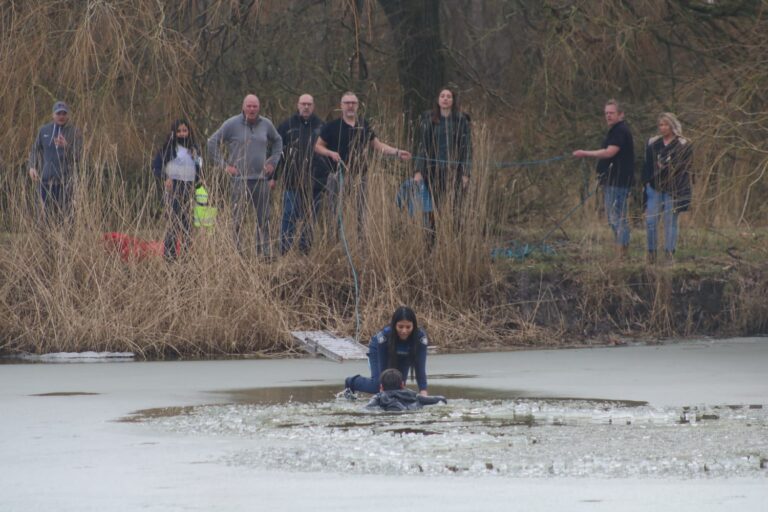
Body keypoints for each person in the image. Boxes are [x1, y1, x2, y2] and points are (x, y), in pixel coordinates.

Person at [314, 92, 411, 231]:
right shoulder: (332, 126)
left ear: (357, 105)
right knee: (335, 214)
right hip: (337, 175)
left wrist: (397, 152)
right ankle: (334, 246)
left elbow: (378, 146)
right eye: (347, 103)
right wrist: (330, 153)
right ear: (341, 106)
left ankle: (361, 245)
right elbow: (317, 146)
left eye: (353, 103)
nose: (350, 106)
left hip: (361, 177)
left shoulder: (363, 125)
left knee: (361, 215)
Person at [207, 94, 283, 256]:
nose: (252, 109)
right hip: (239, 180)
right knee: (238, 219)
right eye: (249, 106)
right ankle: (237, 252)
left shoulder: (266, 124)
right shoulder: (231, 124)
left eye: (255, 106)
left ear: (259, 107)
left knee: (264, 218)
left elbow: (278, 141)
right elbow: (211, 142)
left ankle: (264, 251)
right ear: (243, 107)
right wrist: (224, 166)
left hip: (261, 180)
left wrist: (273, 162)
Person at [573, 99, 635, 259]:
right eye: (606, 113)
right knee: (614, 217)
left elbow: (609, 152)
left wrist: (585, 153)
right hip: (612, 181)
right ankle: (622, 249)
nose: (608, 116)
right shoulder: (615, 130)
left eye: (611, 113)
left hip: (618, 182)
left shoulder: (620, 131)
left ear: (620, 114)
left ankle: (623, 252)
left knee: (616, 217)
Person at [414, 86, 472, 238]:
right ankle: (431, 244)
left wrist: (466, 173)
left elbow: (467, 148)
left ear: (453, 101)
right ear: (438, 100)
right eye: (442, 96)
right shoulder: (429, 120)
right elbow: (423, 146)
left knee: (455, 210)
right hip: (433, 172)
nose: (445, 99)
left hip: (455, 172)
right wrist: (418, 171)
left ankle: (455, 243)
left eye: (449, 96)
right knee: (432, 210)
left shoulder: (461, 121)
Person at [276, 94, 327, 254]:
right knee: (289, 215)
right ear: (298, 105)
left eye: (309, 104)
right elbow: (277, 152)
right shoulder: (287, 126)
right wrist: (273, 177)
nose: (306, 107)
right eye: (303, 104)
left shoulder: (321, 126)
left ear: (313, 106)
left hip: (316, 181)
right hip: (292, 180)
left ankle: (305, 250)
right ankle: (284, 249)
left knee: (310, 217)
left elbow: (329, 150)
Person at [344, 306, 430, 396]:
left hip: (405, 355)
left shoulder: (420, 338)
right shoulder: (384, 337)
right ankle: (352, 382)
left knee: (399, 386)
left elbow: (420, 368)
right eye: (400, 327)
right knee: (377, 386)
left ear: (414, 326)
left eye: (408, 327)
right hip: (378, 350)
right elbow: (383, 368)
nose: (404, 331)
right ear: (394, 325)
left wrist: (423, 390)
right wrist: (382, 389)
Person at [642, 113, 693, 264]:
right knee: (651, 221)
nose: (663, 128)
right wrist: (645, 183)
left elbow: (685, 168)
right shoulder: (653, 143)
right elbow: (647, 165)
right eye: (660, 125)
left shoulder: (683, 144)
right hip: (654, 186)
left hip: (673, 188)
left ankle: (669, 254)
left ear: (672, 126)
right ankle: (651, 254)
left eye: (665, 124)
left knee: (670, 221)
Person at [151, 119, 202, 260]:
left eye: (184, 130)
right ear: (174, 132)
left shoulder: (195, 149)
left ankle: (187, 256)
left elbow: (199, 170)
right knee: (173, 224)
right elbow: (155, 167)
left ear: (189, 132)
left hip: (190, 189)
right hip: (173, 189)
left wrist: (195, 159)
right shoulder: (168, 148)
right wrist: (165, 177)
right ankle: (169, 256)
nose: (182, 133)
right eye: (179, 131)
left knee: (187, 226)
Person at [28, 100, 83, 225]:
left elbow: (78, 157)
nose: (61, 116)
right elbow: (35, 149)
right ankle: (47, 242)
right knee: (45, 216)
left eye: (64, 113)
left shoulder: (75, 132)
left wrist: (66, 146)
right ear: (53, 115)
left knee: (66, 217)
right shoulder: (44, 130)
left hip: (65, 182)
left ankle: (66, 242)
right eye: (59, 113)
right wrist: (32, 166)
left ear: (68, 115)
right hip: (45, 181)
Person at [365, 369, 447, 412]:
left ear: (381, 387)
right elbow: (438, 399)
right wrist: (441, 398)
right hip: (409, 410)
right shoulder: (412, 395)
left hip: (389, 411)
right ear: (402, 384)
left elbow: (368, 408)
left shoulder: (378, 397)